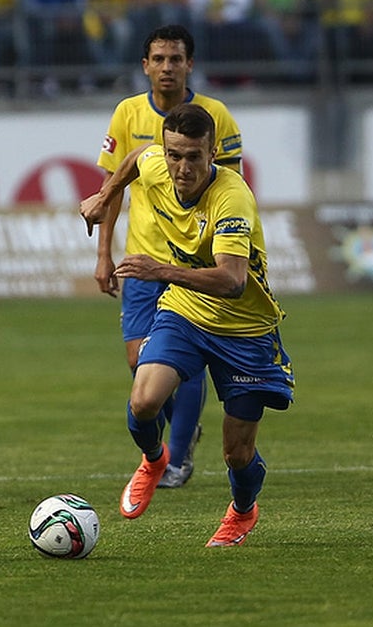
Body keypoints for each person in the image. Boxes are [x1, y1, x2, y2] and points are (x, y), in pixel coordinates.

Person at [80, 103, 293, 546]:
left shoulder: (232, 197)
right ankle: (155, 459)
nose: (181, 167)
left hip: (245, 330)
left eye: (193, 156)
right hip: (186, 313)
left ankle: (242, 509)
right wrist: (105, 195)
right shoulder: (157, 161)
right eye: (174, 154)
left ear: (212, 153)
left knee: (237, 454)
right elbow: (136, 159)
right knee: (143, 403)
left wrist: (162, 271)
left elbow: (233, 281)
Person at [94, 24, 245, 489]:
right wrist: (104, 254)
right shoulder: (127, 113)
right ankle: (183, 429)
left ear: (189, 65)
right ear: (145, 66)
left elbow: (231, 188)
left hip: (192, 266)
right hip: (141, 260)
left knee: (186, 361)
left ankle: (176, 459)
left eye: (175, 59)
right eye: (158, 59)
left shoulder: (216, 115)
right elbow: (112, 190)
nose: (166, 67)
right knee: (142, 362)